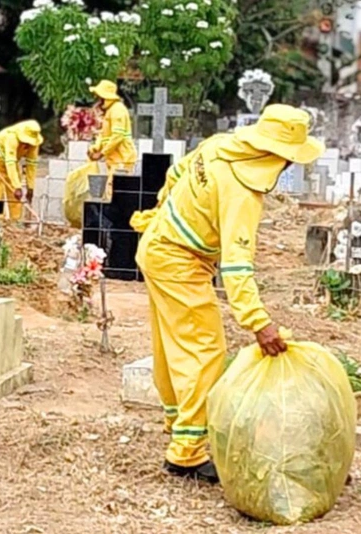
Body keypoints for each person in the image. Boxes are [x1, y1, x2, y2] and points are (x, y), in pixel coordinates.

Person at [135, 104, 325, 484]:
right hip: (180, 263)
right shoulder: (242, 192)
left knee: (172, 346)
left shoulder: (220, 145)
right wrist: (259, 323)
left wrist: (161, 212)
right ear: (279, 157)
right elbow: (236, 266)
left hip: (157, 245)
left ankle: (178, 423)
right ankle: (187, 453)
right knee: (203, 351)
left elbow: (175, 174)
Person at [63, 80, 138, 227]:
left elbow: (118, 136)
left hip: (122, 159)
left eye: (99, 96)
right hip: (114, 159)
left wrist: (101, 153)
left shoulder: (117, 110)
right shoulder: (111, 111)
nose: (97, 99)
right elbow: (105, 136)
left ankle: (117, 226)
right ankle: (112, 225)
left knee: (115, 192)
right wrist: (95, 149)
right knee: (110, 191)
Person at [0, 120, 43, 220]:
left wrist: (30, 187)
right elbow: (10, 162)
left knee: (16, 197)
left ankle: (15, 222)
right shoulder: (11, 137)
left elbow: (31, 164)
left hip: (13, 161)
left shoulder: (34, 144)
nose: (28, 145)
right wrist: (17, 187)